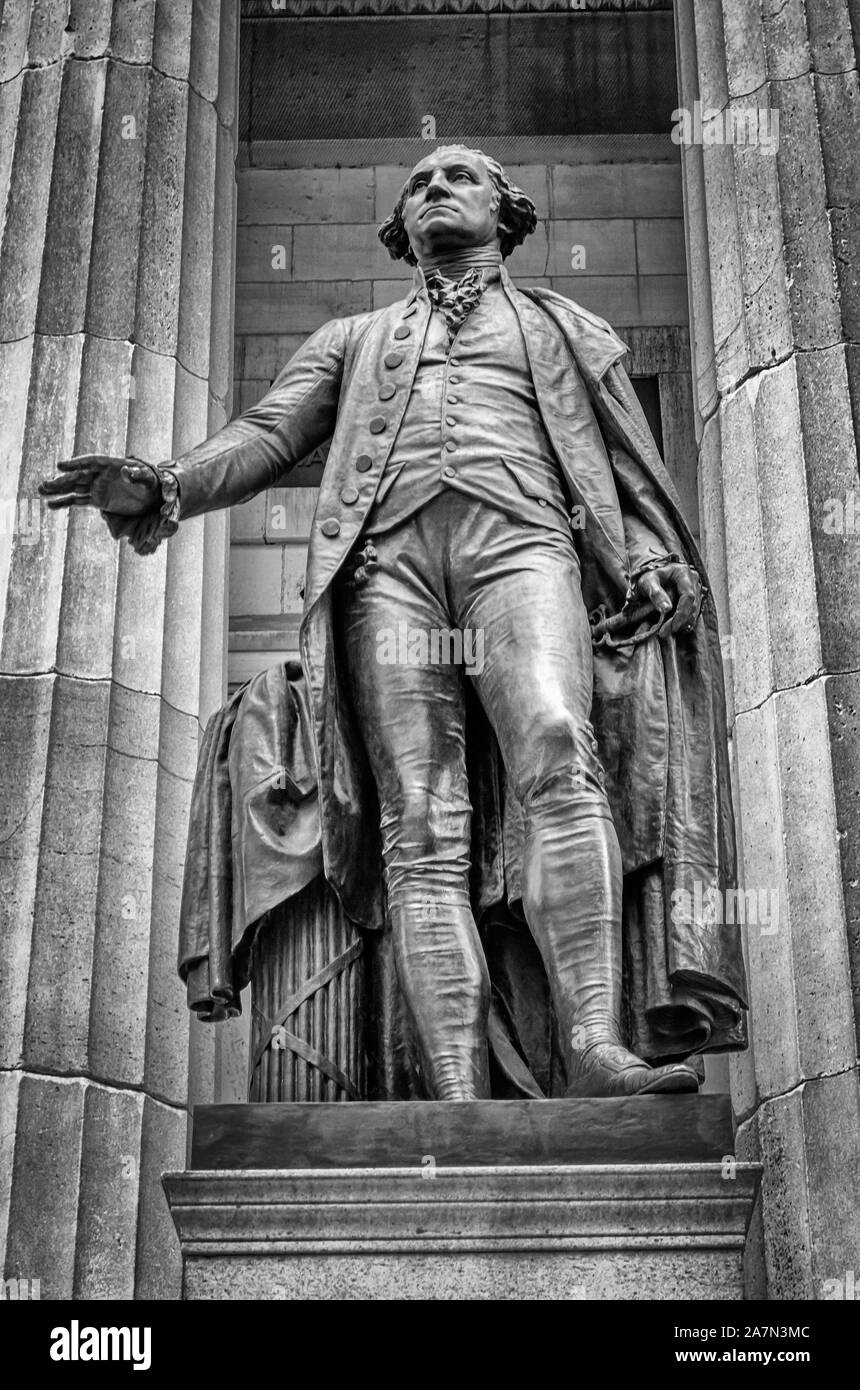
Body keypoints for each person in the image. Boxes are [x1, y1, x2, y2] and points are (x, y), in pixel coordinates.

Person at [41, 146, 746, 1100]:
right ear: (398, 227)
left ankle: (593, 1045)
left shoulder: (566, 327)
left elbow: (626, 463)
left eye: (457, 177)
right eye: (416, 184)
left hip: (525, 546)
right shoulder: (355, 338)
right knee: (420, 819)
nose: (432, 191)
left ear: (508, 210)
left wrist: (652, 557)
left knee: (553, 743)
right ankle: (453, 1087)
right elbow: (267, 434)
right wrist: (167, 485)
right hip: (389, 573)